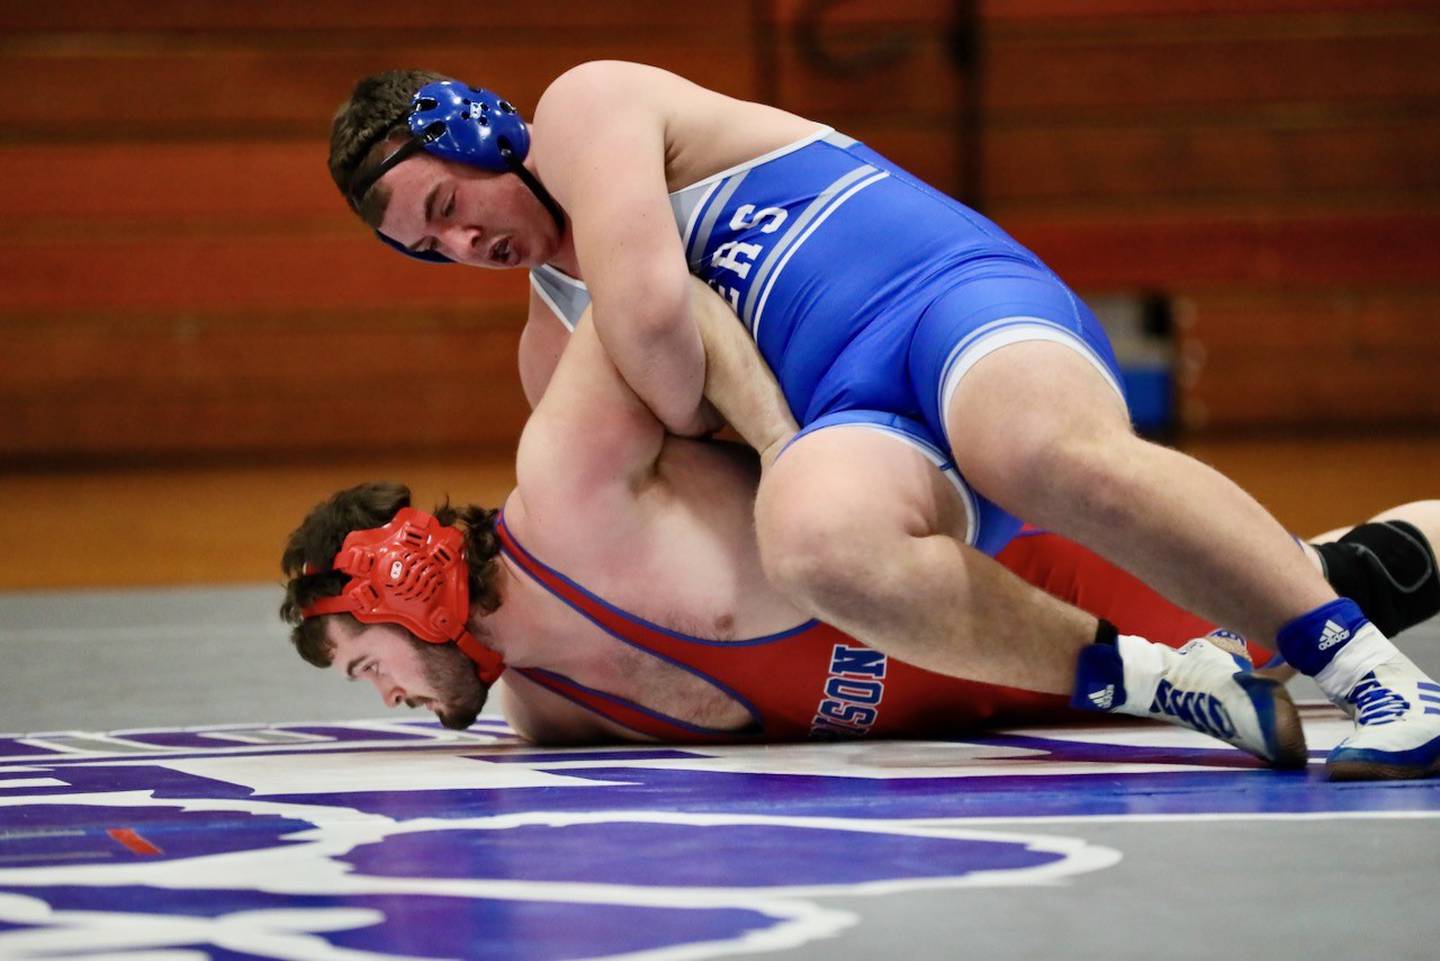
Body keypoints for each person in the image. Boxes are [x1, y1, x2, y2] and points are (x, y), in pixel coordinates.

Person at [327, 64, 1440, 778]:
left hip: (946, 304)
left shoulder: (584, 108)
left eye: (448, 205)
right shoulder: (547, 344)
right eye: (431, 249)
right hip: (859, 419)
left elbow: (662, 316)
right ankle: (1157, 678)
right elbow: (704, 467)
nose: (464, 245)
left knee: (1042, 452)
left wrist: (737, 408)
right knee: (816, 544)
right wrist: (768, 442)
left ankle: (1378, 678)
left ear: (475, 131)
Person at [280, 281, 1440, 772]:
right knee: (1307, 596)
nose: (382, 692)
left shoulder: (571, 483)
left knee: (1342, 582)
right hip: (1030, 685)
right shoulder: (555, 719)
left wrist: (782, 444)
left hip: (1020, 575)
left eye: (362, 659)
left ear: (396, 582)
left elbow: (657, 295)